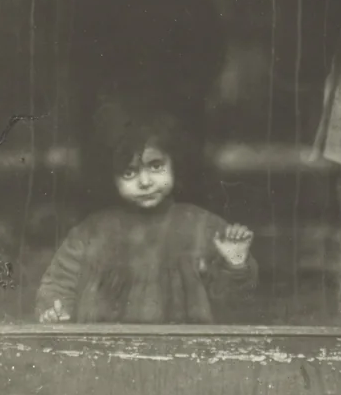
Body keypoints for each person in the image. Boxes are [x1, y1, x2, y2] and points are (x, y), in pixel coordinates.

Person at [36, 105, 257, 324]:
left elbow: (232, 304)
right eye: (129, 172)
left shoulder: (203, 227)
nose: (145, 182)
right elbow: (59, 283)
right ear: (111, 177)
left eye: (156, 166)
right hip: (106, 344)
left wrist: (235, 263)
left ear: (174, 164)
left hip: (184, 345)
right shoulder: (91, 233)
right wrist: (56, 310)